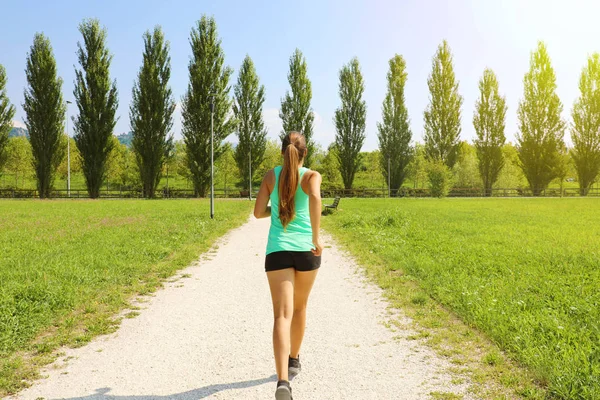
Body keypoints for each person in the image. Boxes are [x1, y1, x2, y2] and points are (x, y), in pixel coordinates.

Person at [253, 131, 323, 400]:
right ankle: (294, 359)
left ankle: (283, 381)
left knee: (282, 315)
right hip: (307, 251)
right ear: (305, 152)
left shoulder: (272, 175)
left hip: (278, 251)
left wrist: (278, 207)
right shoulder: (311, 176)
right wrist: (316, 237)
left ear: (283, 152)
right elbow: (316, 199)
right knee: (300, 307)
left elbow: (258, 212)